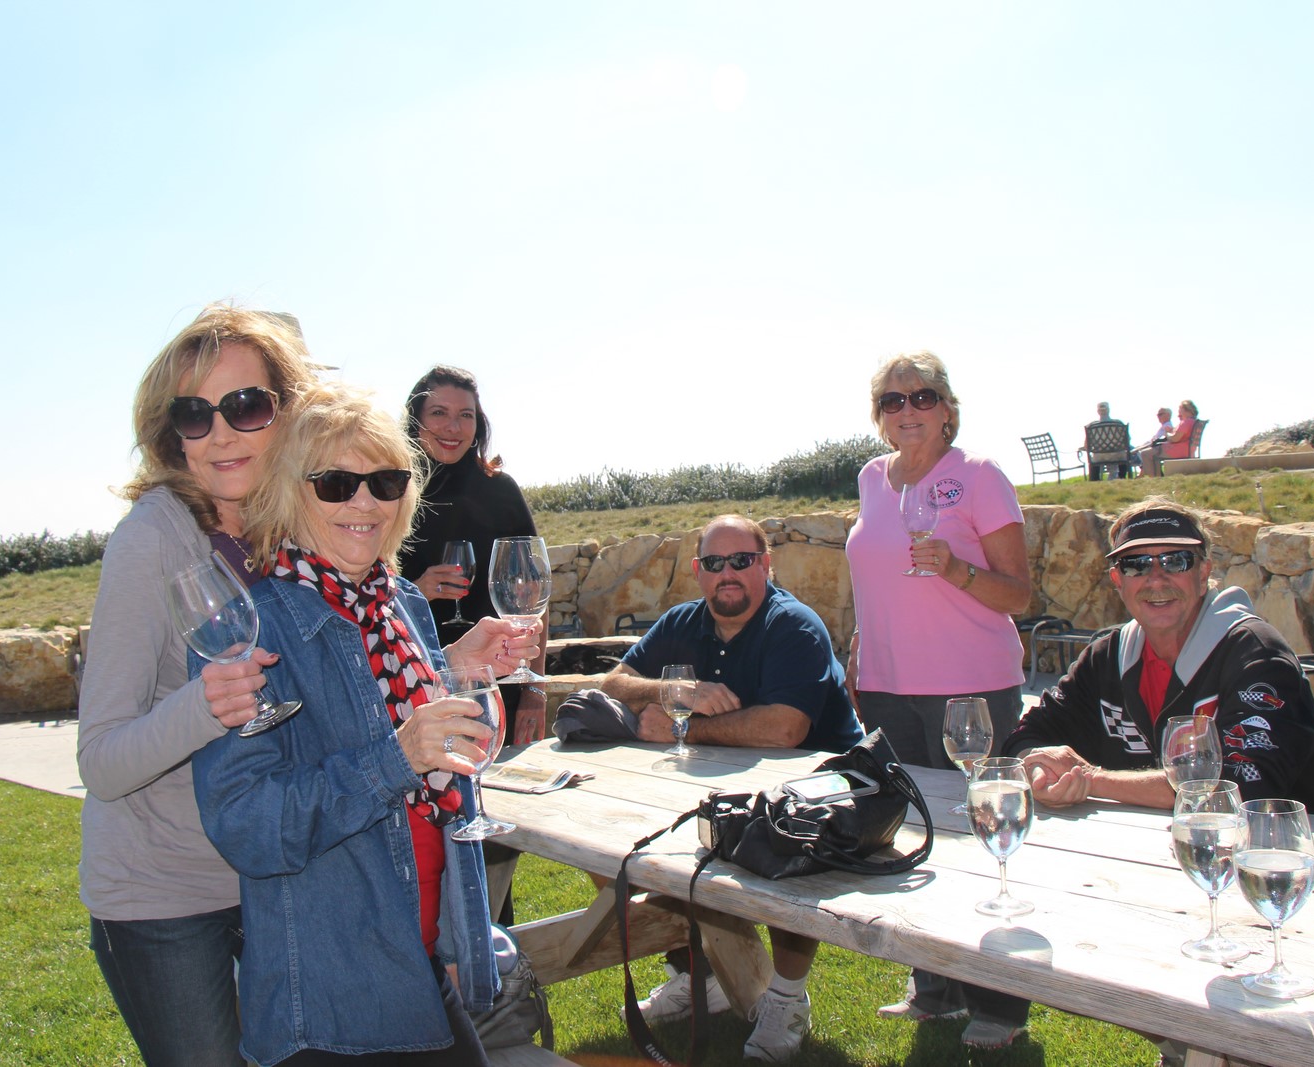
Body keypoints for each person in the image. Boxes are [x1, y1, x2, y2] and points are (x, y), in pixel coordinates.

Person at [191, 383, 540, 1066]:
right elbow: (249, 826)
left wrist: (456, 670)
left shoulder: (398, 602)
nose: (364, 502)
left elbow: (383, 707)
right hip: (331, 1000)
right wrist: (395, 757)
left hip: (419, 961)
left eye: (384, 481)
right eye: (336, 482)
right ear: (292, 491)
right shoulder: (250, 631)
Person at [77, 304, 317, 1067]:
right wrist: (204, 706)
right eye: (195, 413)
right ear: (170, 430)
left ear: (286, 410)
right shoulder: (152, 540)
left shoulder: (294, 530)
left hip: (269, 873)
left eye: (246, 406)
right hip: (159, 895)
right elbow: (103, 760)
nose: (220, 433)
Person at [600, 514, 865, 1063]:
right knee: (614, 847)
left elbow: (786, 728)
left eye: (742, 561)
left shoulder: (793, 625)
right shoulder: (684, 621)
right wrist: (676, 688)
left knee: (788, 865)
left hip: (820, 794)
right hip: (718, 786)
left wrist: (679, 725)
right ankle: (703, 976)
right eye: (714, 563)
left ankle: (787, 998)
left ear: (766, 565)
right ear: (697, 572)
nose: (728, 574)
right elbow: (614, 682)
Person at [841, 351, 1034, 1049]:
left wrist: (955, 569)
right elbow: (877, 576)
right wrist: (862, 642)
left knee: (985, 838)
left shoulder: (979, 477)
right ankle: (934, 987)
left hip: (970, 685)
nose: (908, 410)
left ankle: (1002, 1005)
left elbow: (1019, 592)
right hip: (891, 688)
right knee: (914, 831)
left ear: (947, 408)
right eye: (893, 401)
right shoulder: (870, 479)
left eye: (922, 397)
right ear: (879, 417)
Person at [1003, 498, 1314, 818]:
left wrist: (1092, 781)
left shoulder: (1257, 656)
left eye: (1176, 561)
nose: (1156, 579)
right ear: (1117, 580)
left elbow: (1244, 787)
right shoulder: (1107, 656)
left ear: (1203, 574)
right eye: (1136, 565)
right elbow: (1026, 735)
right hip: (1164, 853)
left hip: (1297, 858)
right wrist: (1039, 768)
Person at [398, 366, 547, 745]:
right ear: (415, 421)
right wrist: (418, 590)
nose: (453, 427)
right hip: (414, 686)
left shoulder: (499, 491)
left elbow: (536, 597)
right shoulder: (389, 490)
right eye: (439, 413)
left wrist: (535, 691)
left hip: (500, 684)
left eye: (465, 415)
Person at [1139, 399, 1199, 475]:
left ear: (1185, 410)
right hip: (1188, 450)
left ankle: (1156, 479)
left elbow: (1175, 438)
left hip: (1177, 450)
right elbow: (1181, 435)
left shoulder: (1186, 422)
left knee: (1145, 453)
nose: (1179, 413)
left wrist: (1167, 434)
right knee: (1151, 453)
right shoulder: (1193, 421)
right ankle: (1157, 477)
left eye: (1180, 410)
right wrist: (1172, 431)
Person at [1082, 400, 1133, 481]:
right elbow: (1128, 440)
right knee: (1124, 455)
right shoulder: (1118, 423)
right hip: (1117, 454)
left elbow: (1086, 445)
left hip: (1099, 456)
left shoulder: (1090, 426)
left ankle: (1095, 480)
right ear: (1109, 410)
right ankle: (1122, 477)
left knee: (1094, 458)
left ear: (1098, 411)